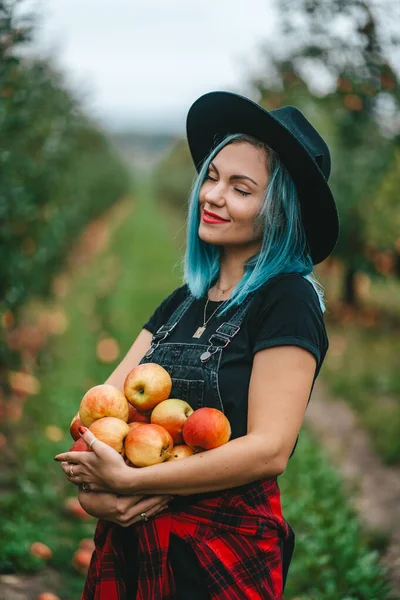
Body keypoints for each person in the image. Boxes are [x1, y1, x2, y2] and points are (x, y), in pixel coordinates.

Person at [55, 90, 339, 599]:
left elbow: (269, 450)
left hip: (220, 552)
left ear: (279, 210)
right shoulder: (182, 303)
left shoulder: (288, 299)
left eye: (240, 188)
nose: (212, 195)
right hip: (133, 545)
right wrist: (97, 497)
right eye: (211, 176)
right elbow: (96, 414)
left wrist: (134, 484)